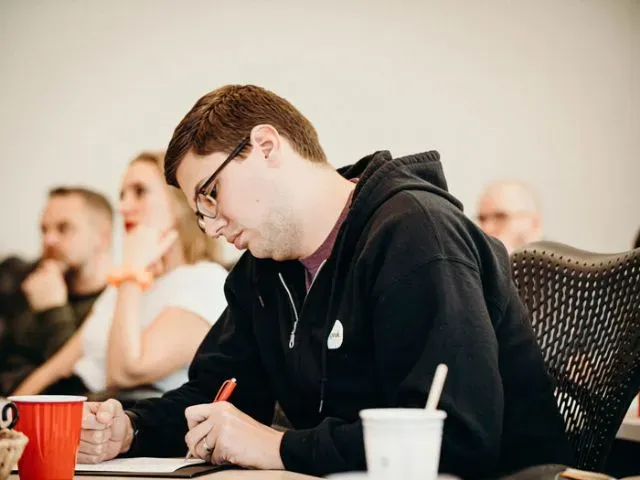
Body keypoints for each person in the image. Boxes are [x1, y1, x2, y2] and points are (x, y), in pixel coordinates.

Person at [78, 85, 572, 478]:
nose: (210, 226)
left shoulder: (417, 234)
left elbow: (457, 438)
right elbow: (218, 394)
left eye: (210, 195)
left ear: (266, 146)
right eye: (198, 212)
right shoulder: (264, 268)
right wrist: (132, 428)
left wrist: (278, 447)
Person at [12, 152, 228, 396]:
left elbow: (125, 373)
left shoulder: (204, 280)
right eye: (122, 195)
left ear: (180, 203)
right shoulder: (125, 283)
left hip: (125, 419)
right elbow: (55, 368)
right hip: (73, 400)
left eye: (139, 192)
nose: (123, 207)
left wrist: (132, 271)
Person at [0, 187, 113, 395]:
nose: (48, 240)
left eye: (64, 228)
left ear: (103, 236)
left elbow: (77, 384)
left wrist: (53, 311)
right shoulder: (16, 277)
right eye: (44, 230)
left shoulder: (113, 305)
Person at [476, 180, 543, 254]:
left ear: (534, 223)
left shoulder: (555, 261)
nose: (487, 228)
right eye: (482, 219)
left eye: (500, 217)